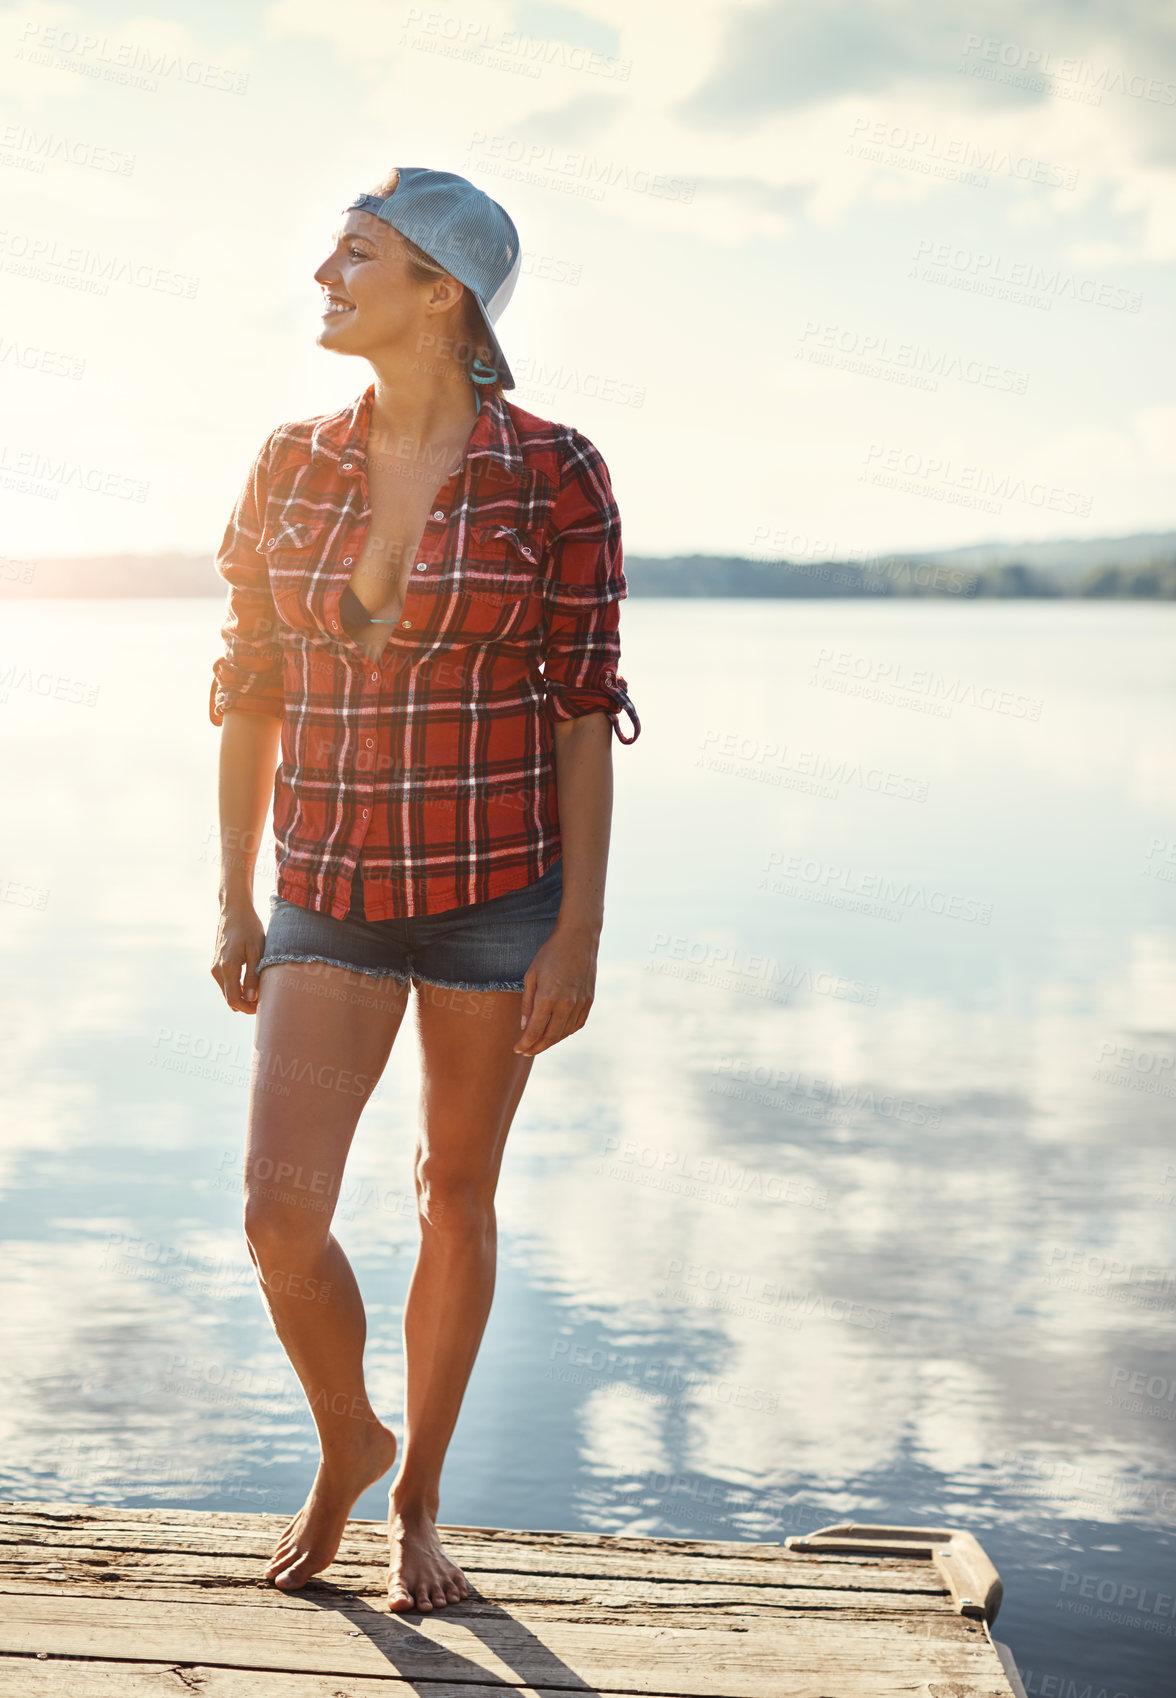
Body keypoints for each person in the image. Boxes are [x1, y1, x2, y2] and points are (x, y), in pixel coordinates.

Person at [208, 166, 640, 1614]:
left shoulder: (554, 471)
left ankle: (421, 1502)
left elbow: (584, 707)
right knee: (279, 1211)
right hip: (326, 876)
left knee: (456, 1189)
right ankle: (350, 1437)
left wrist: (577, 927)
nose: (323, 280)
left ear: (440, 291)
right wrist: (231, 891)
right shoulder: (290, 463)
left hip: (493, 889)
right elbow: (249, 691)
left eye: (354, 256)